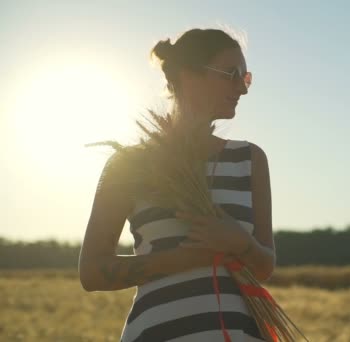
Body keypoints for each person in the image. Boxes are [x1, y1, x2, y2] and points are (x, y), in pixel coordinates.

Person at [78, 28, 276, 342]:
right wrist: (183, 260)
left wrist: (240, 242)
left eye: (246, 77)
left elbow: (265, 267)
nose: (243, 88)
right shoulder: (129, 164)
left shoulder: (250, 159)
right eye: (232, 74)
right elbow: (91, 272)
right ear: (187, 75)